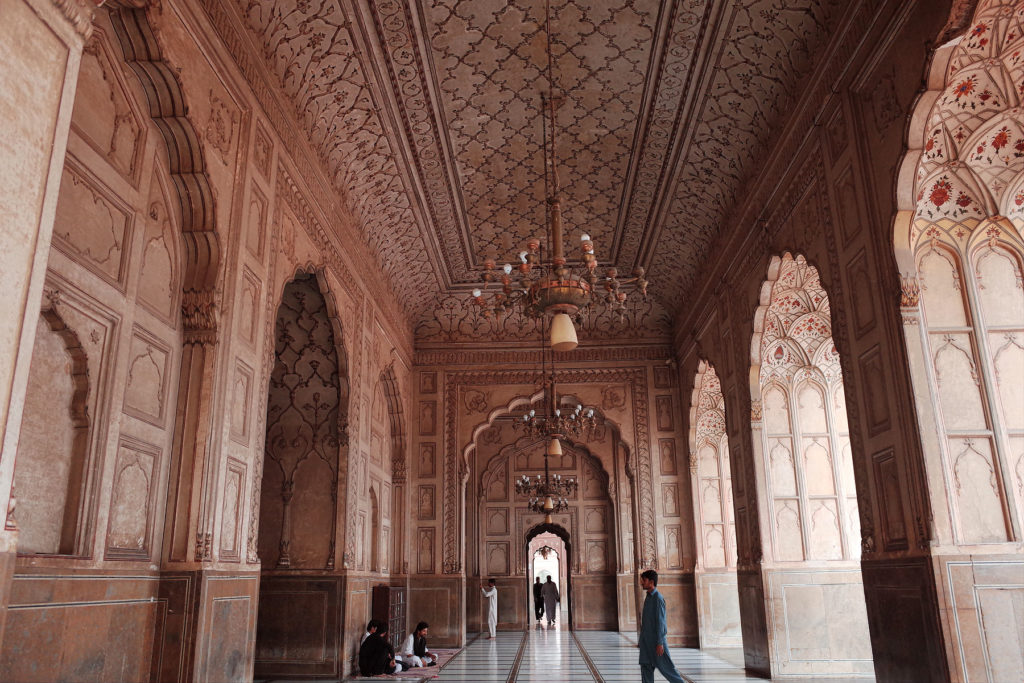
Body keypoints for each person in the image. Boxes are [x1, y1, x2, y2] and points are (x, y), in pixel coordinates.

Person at [638, 569, 686, 683]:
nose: (642, 583)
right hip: (646, 642)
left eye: (644, 580)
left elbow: (661, 622)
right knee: (646, 668)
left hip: (656, 642)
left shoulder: (658, 599)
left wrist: (660, 643)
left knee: (668, 670)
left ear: (651, 582)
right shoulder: (648, 597)